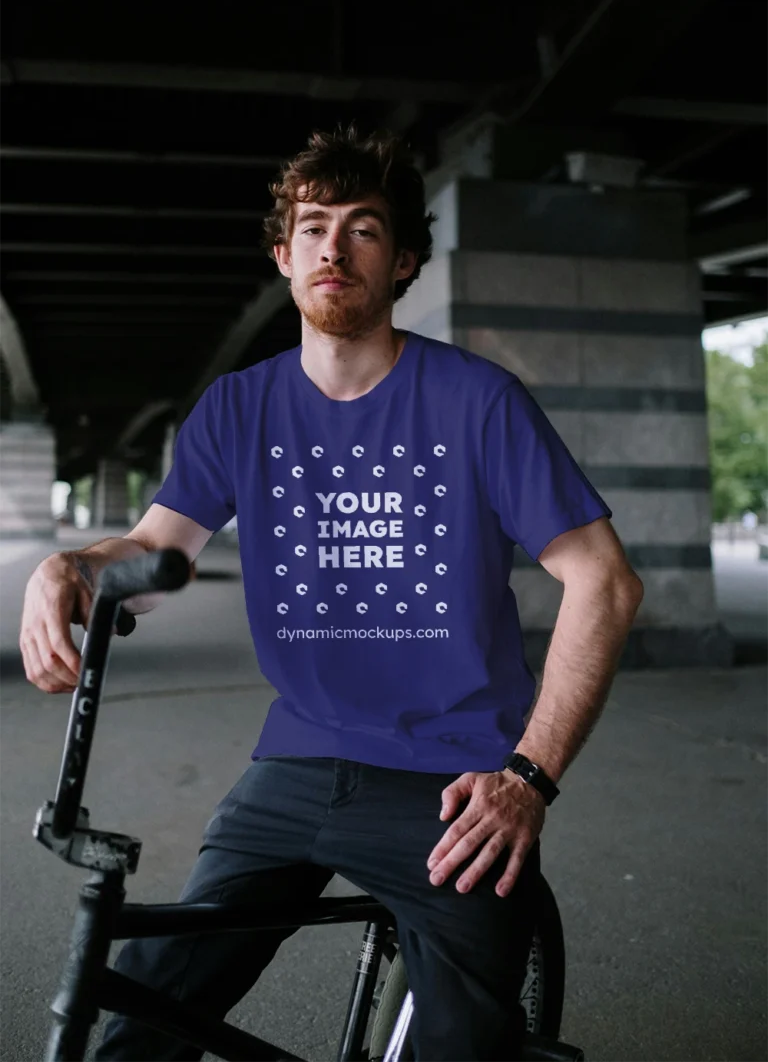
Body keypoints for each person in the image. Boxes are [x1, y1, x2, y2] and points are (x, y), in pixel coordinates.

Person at [21, 125, 644, 1062]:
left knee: (461, 1045)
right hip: (298, 760)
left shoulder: (477, 402)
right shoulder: (239, 407)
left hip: (455, 778)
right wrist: (66, 568)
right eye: (313, 227)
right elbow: (158, 554)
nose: (333, 247)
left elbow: (605, 579)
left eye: (362, 228)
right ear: (283, 255)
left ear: (402, 262)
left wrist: (528, 778)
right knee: (142, 1010)